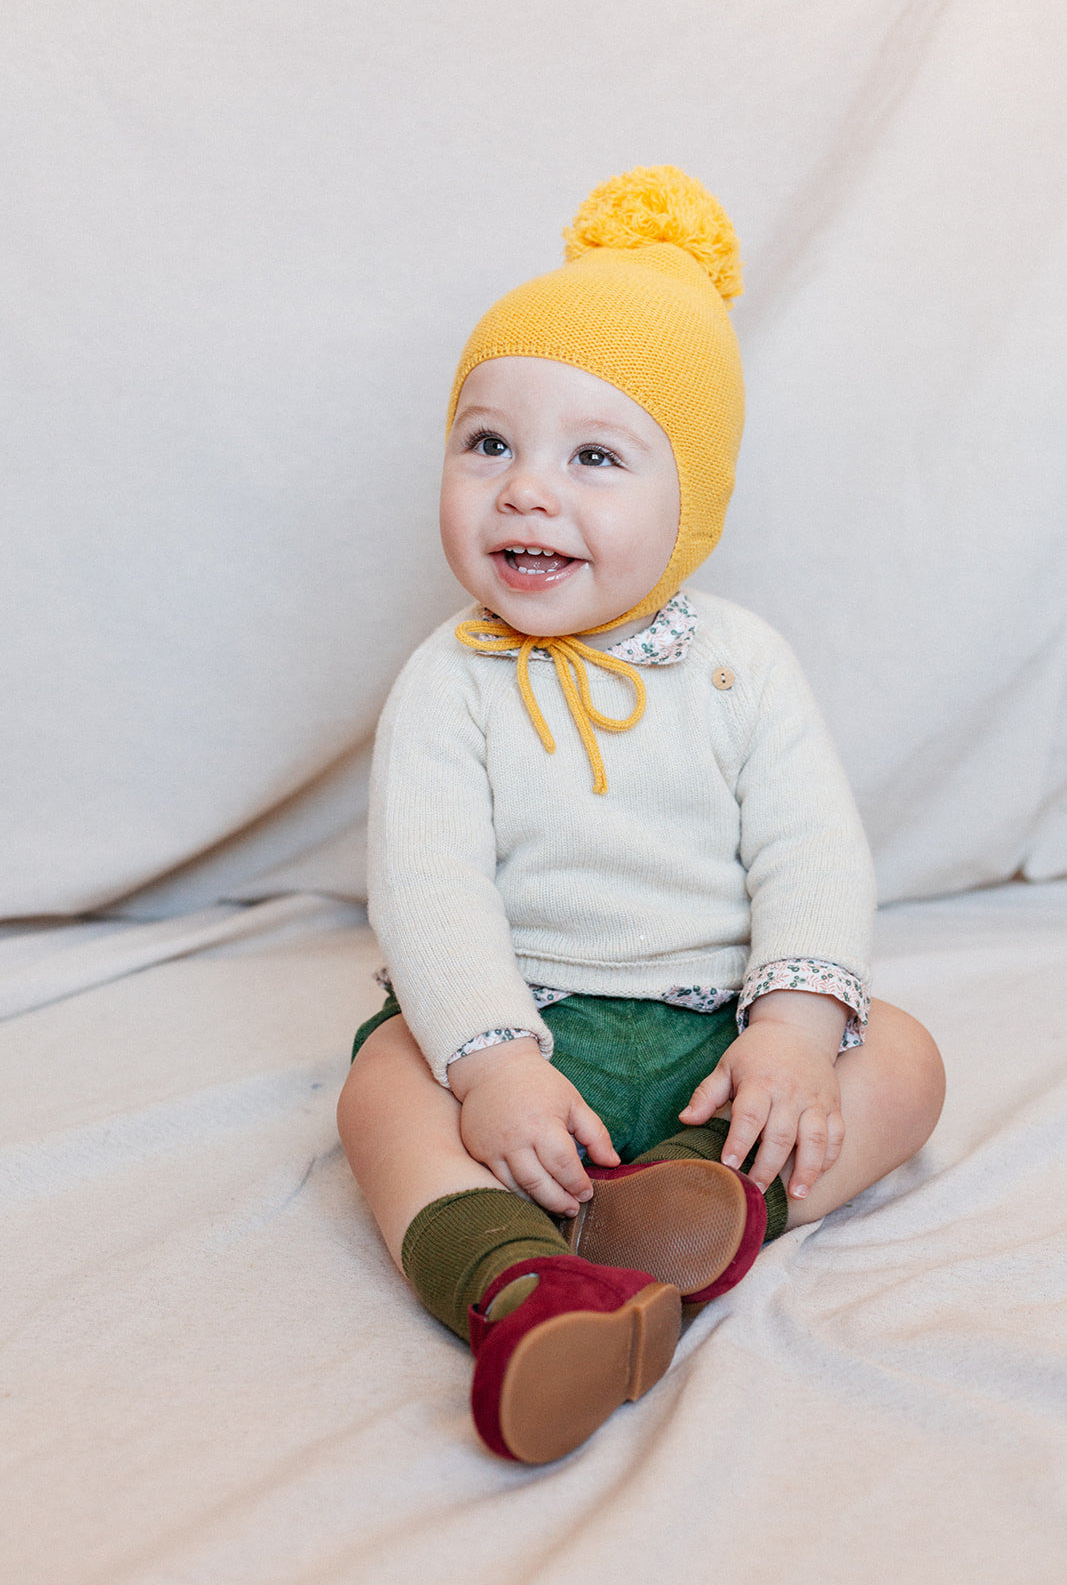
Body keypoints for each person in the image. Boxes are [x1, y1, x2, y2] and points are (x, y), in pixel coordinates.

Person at [337, 166, 945, 1466]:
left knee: (898, 1058)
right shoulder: (452, 680)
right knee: (380, 1095)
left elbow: (810, 849)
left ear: (694, 503)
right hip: (527, 1025)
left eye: (594, 457)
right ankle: (520, 1288)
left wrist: (789, 1031)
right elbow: (431, 886)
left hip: (714, 1036)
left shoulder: (741, 665)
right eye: (486, 442)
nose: (525, 491)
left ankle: (698, 1198)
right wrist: (493, 1063)